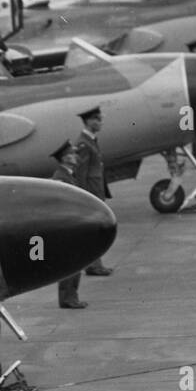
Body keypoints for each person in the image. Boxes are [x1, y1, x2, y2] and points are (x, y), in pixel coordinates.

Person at [73, 107, 113, 277]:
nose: (100, 122)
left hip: (96, 191)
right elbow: (81, 173)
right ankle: (94, 265)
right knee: (94, 230)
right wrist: (85, 197)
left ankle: (95, 264)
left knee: (96, 230)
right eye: (96, 119)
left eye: (100, 118)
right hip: (90, 192)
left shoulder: (91, 140)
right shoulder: (83, 143)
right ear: (88, 121)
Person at [51, 142, 87, 309]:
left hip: (73, 224)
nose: (76, 156)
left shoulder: (69, 175)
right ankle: (67, 298)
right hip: (66, 226)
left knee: (76, 263)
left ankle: (72, 297)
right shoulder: (60, 177)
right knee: (70, 264)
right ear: (65, 158)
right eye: (72, 154)